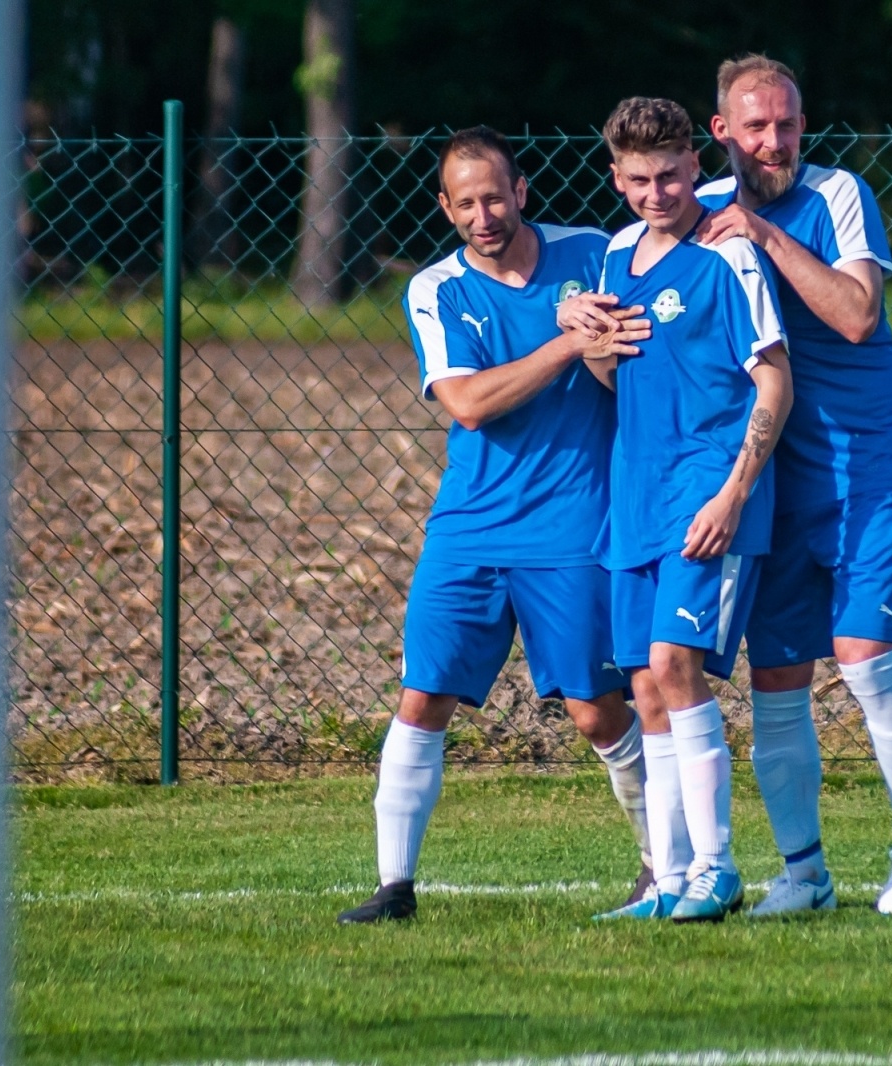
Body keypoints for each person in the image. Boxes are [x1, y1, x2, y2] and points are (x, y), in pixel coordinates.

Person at [338, 126, 655, 924]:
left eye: (495, 196)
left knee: (595, 708)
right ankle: (394, 887)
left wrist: (604, 350)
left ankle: (665, 867)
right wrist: (566, 343)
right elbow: (470, 404)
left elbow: (628, 360)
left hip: (576, 519)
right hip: (470, 526)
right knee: (423, 697)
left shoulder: (597, 252)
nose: (484, 213)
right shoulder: (435, 289)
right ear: (445, 208)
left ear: (522, 192)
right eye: (465, 201)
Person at [696, 55, 892, 917]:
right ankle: (804, 874)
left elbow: (855, 313)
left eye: (788, 123)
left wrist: (762, 234)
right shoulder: (694, 214)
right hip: (774, 484)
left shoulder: (838, 194)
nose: (775, 141)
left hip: (872, 468)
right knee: (776, 685)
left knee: (866, 659)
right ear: (721, 130)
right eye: (756, 127)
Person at [578, 97, 791, 924]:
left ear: (695, 165)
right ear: (616, 177)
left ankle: (717, 867)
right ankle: (667, 879)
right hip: (636, 494)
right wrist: (590, 344)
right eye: (638, 179)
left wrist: (734, 492)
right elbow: (617, 373)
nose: (656, 192)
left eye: (670, 174)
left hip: (709, 492)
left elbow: (774, 378)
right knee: (644, 684)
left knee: (675, 664)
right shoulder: (617, 255)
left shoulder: (728, 253)